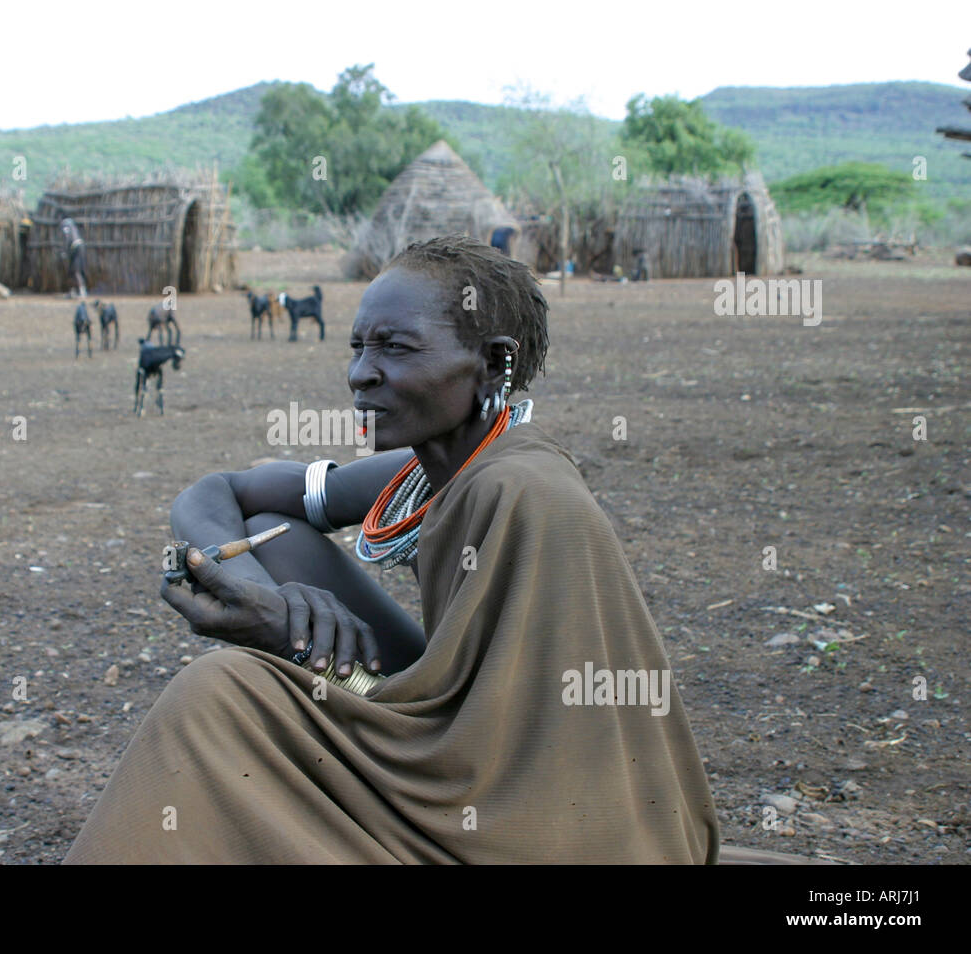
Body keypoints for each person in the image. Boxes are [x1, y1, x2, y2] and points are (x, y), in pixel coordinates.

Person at [65, 235, 806, 864]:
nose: (361, 373)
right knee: (285, 544)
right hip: (455, 735)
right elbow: (215, 493)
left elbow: (499, 755)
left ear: (491, 363)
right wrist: (266, 593)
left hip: (542, 821)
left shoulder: (523, 493)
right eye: (357, 346)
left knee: (219, 697)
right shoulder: (424, 469)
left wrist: (277, 644)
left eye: (394, 347)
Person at [60, 217, 87, 298]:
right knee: (72, 270)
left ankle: (82, 291)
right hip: (78, 247)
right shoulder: (71, 223)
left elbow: (67, 237)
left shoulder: (65, 224)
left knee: (75, 270)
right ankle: (73, 291)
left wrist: (65, 251)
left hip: (75, 247)